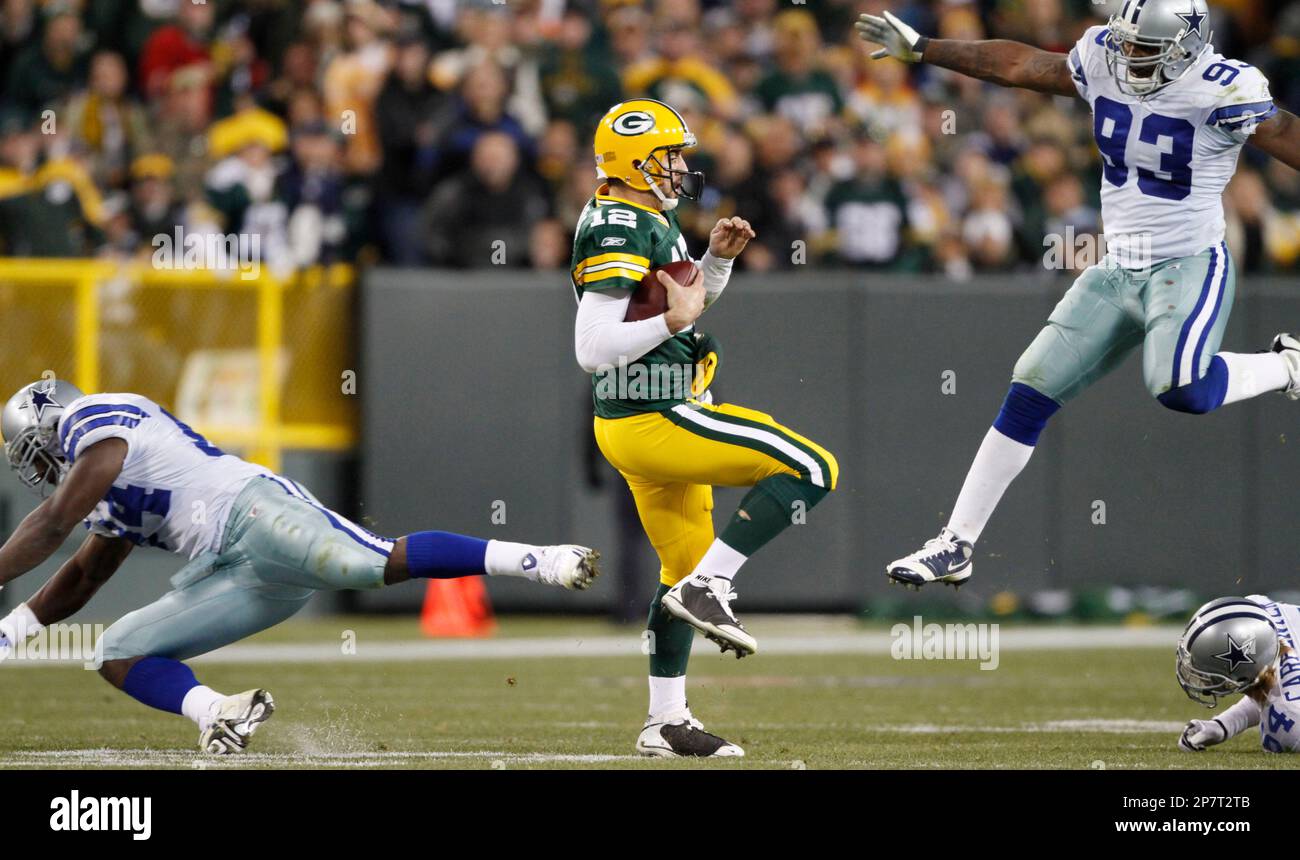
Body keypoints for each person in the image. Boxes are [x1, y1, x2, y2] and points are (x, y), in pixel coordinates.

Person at [858, 1, 1300, 589]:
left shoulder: (1224, 88)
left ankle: (1288, 364)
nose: (1129, 56)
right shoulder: (1105, 55)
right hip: (1117, 266)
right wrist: (927, 48)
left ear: (1187, 46)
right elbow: (1021, 65)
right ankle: (955, 544)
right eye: (1126, 42)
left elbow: (1288, 135)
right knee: (1030, 385)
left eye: (1146, 48)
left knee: (1181, 389)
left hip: (1188, 262)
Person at [0, 380, 599, 755]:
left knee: (370, 562)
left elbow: (52, 523)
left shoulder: (95, 420)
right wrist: (12, 631)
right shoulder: (101, 500)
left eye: (33, 451)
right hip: (239, 575)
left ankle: (539, 560)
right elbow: (80, 579)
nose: (39, 469)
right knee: (116, 653)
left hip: (256, 513)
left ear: (51, 423)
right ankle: (218, 713)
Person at [571, 99, 838, 757]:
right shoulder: (617, 224)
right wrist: (670, 322)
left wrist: (713, 264)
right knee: (811, 469)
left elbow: (684, 305)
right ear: (636, 159)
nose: (683, 165)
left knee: (680, 561)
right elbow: (594, 346)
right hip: (653, 413)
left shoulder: (644, 215)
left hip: (642, 414)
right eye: (672, 154)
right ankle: (711, 586)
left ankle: (664, 719)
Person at [1175, 596, 1300, 753]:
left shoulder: (1290, 726)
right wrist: (1225, 724)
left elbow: (1283, 700)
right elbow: (1277, 689)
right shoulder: (1259, 610)